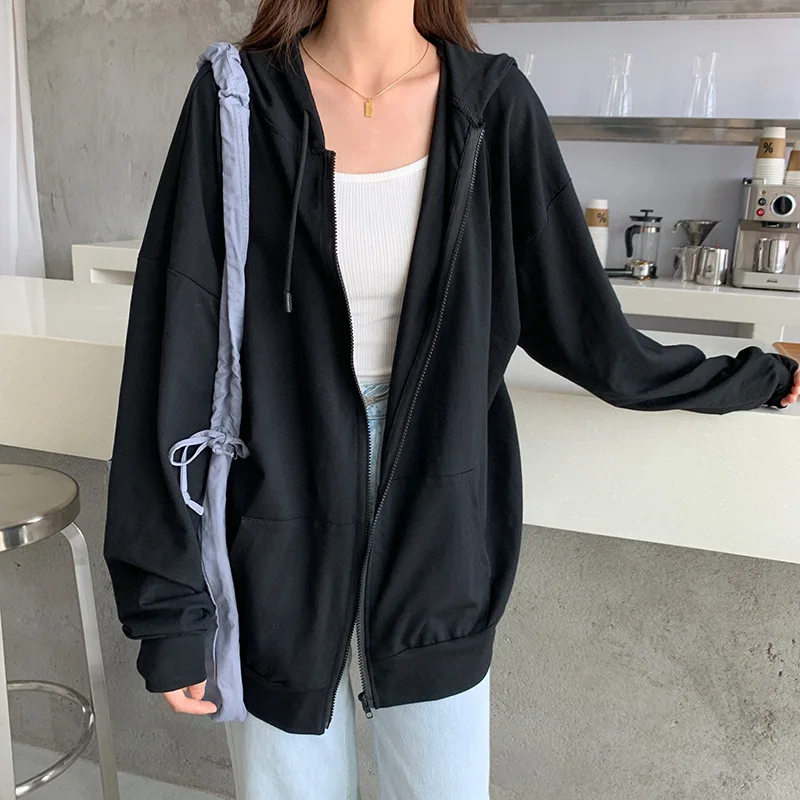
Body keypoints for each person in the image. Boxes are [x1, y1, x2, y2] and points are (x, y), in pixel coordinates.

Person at [104, 1, 800, 797]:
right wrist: (168, 608)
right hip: (271, 507)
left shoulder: (491, 104)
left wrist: (759, 377)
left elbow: (589, 331)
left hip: (442, 515)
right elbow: (173, 348)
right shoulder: (235, 99)